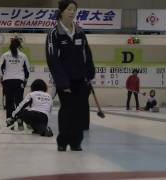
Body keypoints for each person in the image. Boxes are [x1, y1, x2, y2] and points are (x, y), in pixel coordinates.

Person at [46, 0, 95, 151]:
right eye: (69, 9)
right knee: (67, 110)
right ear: (61, 11)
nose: (72, 12)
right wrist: (62, 82)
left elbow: (87, 55)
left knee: (79, 110)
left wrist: (89, 74)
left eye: (74, 9)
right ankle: (62, 141)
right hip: (64, 81)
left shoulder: (80, 32)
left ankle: (76, 142)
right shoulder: (54, 34)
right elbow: (52, 59)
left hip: (80, 79)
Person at [0, 37, 30, 130]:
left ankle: (9, 122)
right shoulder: (23, 56)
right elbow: (27, 70)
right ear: (19, 46)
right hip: (19, 81)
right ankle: (20, 121)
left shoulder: (5, 55)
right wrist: (25, 80)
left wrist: (1, 77)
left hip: (7, 81)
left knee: (9, 102)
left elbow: (0, 67)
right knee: (19, 102)